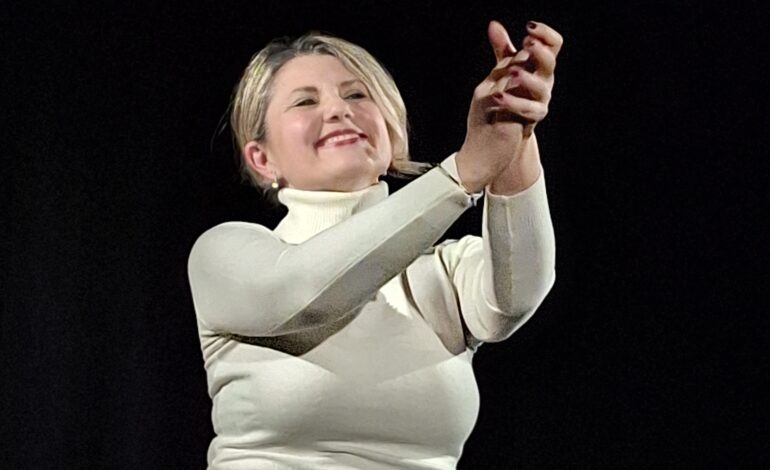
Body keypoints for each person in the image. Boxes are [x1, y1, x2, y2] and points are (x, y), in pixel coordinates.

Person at [188, 19, 562, 470]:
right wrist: (460, 174)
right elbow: (302, 290)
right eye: (306, 101)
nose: (338, 110)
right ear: (262, 159)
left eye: (357, 95)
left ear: (391, 132)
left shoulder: (442, 272)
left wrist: (514, 127)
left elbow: (519, 293)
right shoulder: (226, 254)